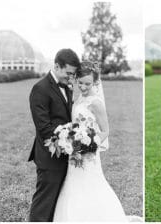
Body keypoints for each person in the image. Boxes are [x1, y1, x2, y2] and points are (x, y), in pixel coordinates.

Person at [52, 61, 128, 221]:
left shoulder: (96, 103)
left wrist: (89, 145)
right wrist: (70, 140)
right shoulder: (77, 99)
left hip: (89, 155)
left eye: (88, 84)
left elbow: (106, 130)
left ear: (95, 83)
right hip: (74, 154)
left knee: (91, 185)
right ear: (76, 79)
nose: (84, 87)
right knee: (74, 185)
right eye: (80, 83)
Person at [28, 48, 81, 221]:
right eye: (68, 73)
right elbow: (44, 128)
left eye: (73, 74)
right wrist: (69, 141)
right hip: (50, 157)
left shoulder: (68, 86)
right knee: (44, 203)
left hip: (68, 157)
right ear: (56, 66)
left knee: (59, 204)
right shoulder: (40, 89)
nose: (71, 78)